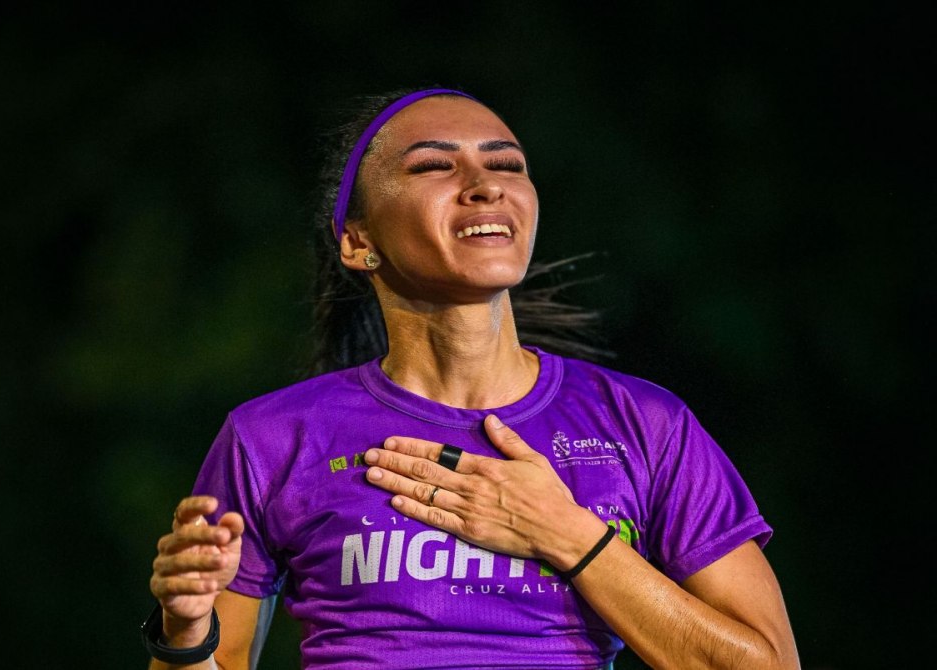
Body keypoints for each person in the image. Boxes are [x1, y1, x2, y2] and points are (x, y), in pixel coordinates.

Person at [143, 86, 801, 670]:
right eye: (434, 165)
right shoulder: (271, 437)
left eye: (507, 165)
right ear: (358, 242)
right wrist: (185, 635)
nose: (486, 184)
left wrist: (566, 533)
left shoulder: (644, 424)